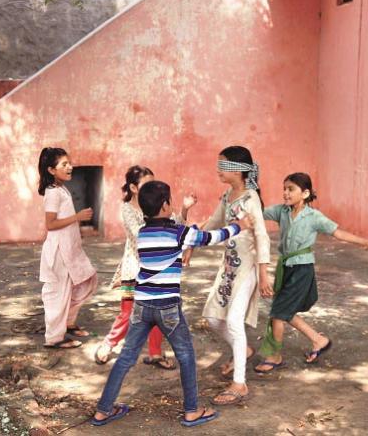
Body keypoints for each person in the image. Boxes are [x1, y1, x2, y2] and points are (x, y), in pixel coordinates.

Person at [92, 180, 253, 428]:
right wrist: (237, 226)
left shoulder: (144, 233)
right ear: (166, 205)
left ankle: (103, 410)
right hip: (167, 307)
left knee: (126, 357)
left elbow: (183, 232)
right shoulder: (178, 232)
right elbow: (210, 237)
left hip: (142, 305)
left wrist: (186, 217)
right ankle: (192, 410)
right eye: (171, 201)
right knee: (186, 356)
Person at [254, 172, 368, 372]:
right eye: (284, 189)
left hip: (302, 269)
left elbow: (337, 232)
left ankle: (274, 356)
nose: (285, 193)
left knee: (279, 313)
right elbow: (259, 211)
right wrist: (253, 188)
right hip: (286, 267)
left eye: (291, 189)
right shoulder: (282, 212)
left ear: (305, 193)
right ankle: (319, 340)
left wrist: (366, 242)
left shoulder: (314, 216)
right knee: (284, 311)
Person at [94, 165, 196, 368]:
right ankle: (109, 343)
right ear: (133, 187)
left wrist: (184, 209)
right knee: (128, 313)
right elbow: (138, 232)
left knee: (157, 312)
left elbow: (176, 224)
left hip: (158, 268)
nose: (153, 187)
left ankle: (156, 353)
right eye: (147, 184)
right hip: (134, 268)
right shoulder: (127, 209)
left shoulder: (159, 205)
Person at [198, 146, 271, 406]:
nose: (218, 169)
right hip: (229, 267)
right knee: (212, 318)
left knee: (233, 321)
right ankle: (244, 350)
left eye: (223, 165)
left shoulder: (251, 199)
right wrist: (191, 244)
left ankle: (239, 384)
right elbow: (214, 222)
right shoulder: (228, 195)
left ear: (239, 170)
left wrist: (263, 274)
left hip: (248, 268)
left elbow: (262, 237)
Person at [37, 147, 97, 349]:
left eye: (69, 163)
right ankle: (54, 337)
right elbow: (50, 224)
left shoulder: (61, 188)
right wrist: (77, 217)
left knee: (85, 280)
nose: (70, 166)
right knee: (57, 293)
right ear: (51, 170)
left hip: (70, 249)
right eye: (64, 164)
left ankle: (68, 323)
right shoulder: (52, 192)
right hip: (59, 252)